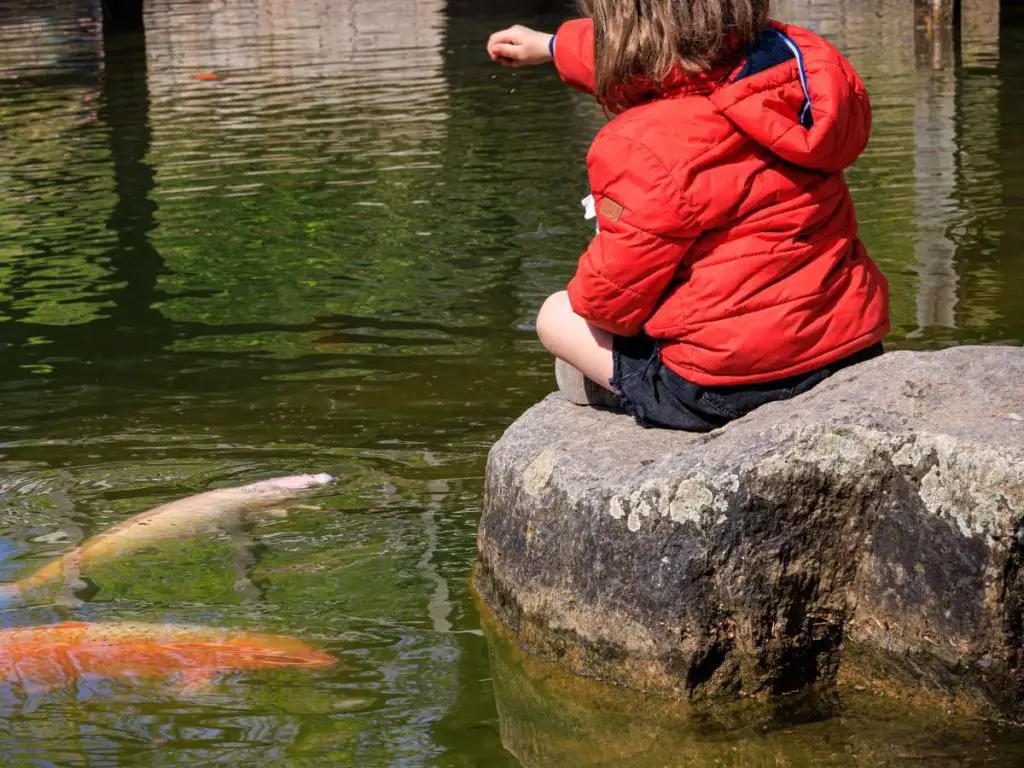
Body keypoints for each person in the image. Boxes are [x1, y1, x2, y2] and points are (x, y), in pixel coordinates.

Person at [486, 2, 890, 432]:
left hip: (725, 389)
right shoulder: (801, 69)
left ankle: (622, 391)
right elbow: (654, 50)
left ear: (628, 38)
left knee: (556, 315)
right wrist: (551, 45)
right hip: (851, 346)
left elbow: (608, 302)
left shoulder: (642, 144)